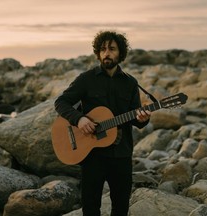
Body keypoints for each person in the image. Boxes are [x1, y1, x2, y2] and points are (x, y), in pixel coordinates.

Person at [54, 30, 151, 216]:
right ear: (98, 53)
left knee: (121, 208)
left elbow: (136, 120)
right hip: (93, 155)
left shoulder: (130, 83)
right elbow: (61, 102)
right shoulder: (86, 79)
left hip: (121, 154)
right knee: (90, 208)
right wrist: (80, 119)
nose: (107, 53)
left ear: (120, 53)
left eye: (112, 49)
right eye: (103, 49)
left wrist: (143, 119)